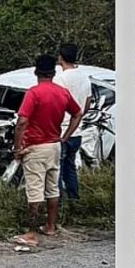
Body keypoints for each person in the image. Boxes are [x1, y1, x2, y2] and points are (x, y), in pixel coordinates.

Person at [11, 55, 81, 247]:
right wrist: (66, 136)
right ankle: (50, 226)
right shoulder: (62, 92)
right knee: (52, 188)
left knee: (34, 191)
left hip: (36, 146)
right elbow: (77, 113)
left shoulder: (33, 93)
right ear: (54, 71)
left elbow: (22, 121)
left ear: (36, 72)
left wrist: (18, 148)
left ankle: (32, 233)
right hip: (55, 145)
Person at [54, 43, 93, 201]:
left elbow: (56, 105)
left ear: (60, 58)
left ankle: (58, 204)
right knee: (70, 168)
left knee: (56, 170)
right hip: (77, 131)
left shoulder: (60, 79)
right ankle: (74, 199)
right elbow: (88, 103)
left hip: (61, 131)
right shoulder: (84, 77)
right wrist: (79, 117)